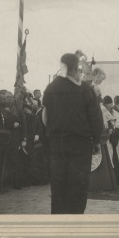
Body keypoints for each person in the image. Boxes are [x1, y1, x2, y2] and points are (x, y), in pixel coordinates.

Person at [42, 52, 104, 214]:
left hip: (57, 145)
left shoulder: (51, 88)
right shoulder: (85, 89)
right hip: (80, 146)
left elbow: (45, 118)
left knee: (58, 186)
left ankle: (58, 223)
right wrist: (97, 141)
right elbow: (95, 118)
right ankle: (75, 222)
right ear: (76, 67)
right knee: (78, 186)